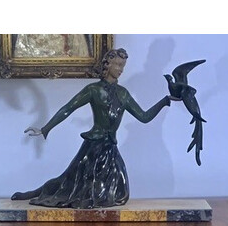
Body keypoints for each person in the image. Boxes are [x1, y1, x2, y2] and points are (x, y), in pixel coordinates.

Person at [11, 48, 172, 208]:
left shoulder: (123, 94)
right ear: (107, 65)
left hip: (110, 147)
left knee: (120, 191)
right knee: (69, 182)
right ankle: (32, 194)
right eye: (117, 65)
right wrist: (46, 128)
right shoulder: (93, 90)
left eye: (123, 66)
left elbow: (144, 117)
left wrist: (165, 101)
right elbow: (68, 108)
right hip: (93, 147)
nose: (121, 70)